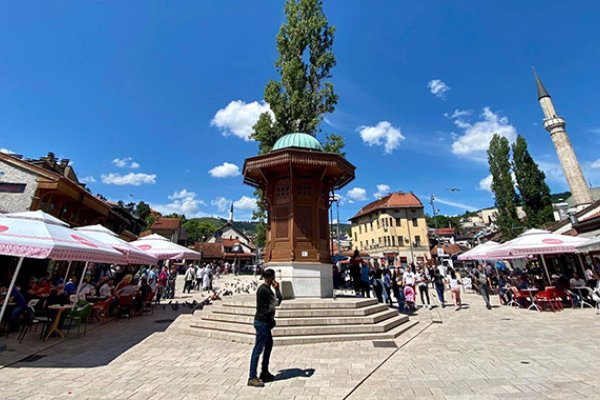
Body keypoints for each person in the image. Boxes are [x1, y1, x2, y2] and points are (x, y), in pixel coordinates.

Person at [248, 268, 282, 387]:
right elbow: (277, 302)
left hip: (264, 321)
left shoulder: (263, 289)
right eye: (273, 278)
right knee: (258, 349)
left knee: (268, 346)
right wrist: (277, 289)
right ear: (271, 278)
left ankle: (264, 372)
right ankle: (252, 377)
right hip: (263, 322)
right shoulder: (266, 290)